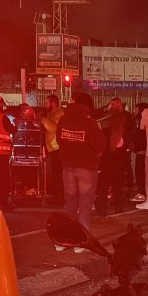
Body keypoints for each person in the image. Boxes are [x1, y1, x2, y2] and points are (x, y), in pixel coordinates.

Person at [58, 92, 106, 232]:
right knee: (85, 205)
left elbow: (59, 140)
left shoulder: (63, 120)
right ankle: (82, 238)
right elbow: (100, 145)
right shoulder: (89, 123)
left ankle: (64, 235)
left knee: (69, 203)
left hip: (68, 168)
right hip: (86, 167)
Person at [95, 98, 132, 215]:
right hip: (118, 158)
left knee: (103, 187)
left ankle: (102, 211)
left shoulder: (106, 120)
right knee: (117, 187)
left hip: (107, 158)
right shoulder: (126, 119)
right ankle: (118, 210)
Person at [41, 94, 66, 205]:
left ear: (53, 103)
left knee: (59, 175)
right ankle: (58, 196)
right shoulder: (51, 114)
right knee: (56, 174)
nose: (45, 105)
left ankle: (61, 198)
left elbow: (54, 128)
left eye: (47, 103)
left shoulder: (60, 113)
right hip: (53, 148)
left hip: (58, 148)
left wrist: (43, 119)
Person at [129, 102, 148, 202]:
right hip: (146, 150)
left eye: (136, 109)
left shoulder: (140, 122)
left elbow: (138, 135)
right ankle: (144, 192)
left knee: (140, 173)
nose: (134, 111)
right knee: (143, 173)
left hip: (141, 150)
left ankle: (142, 193)